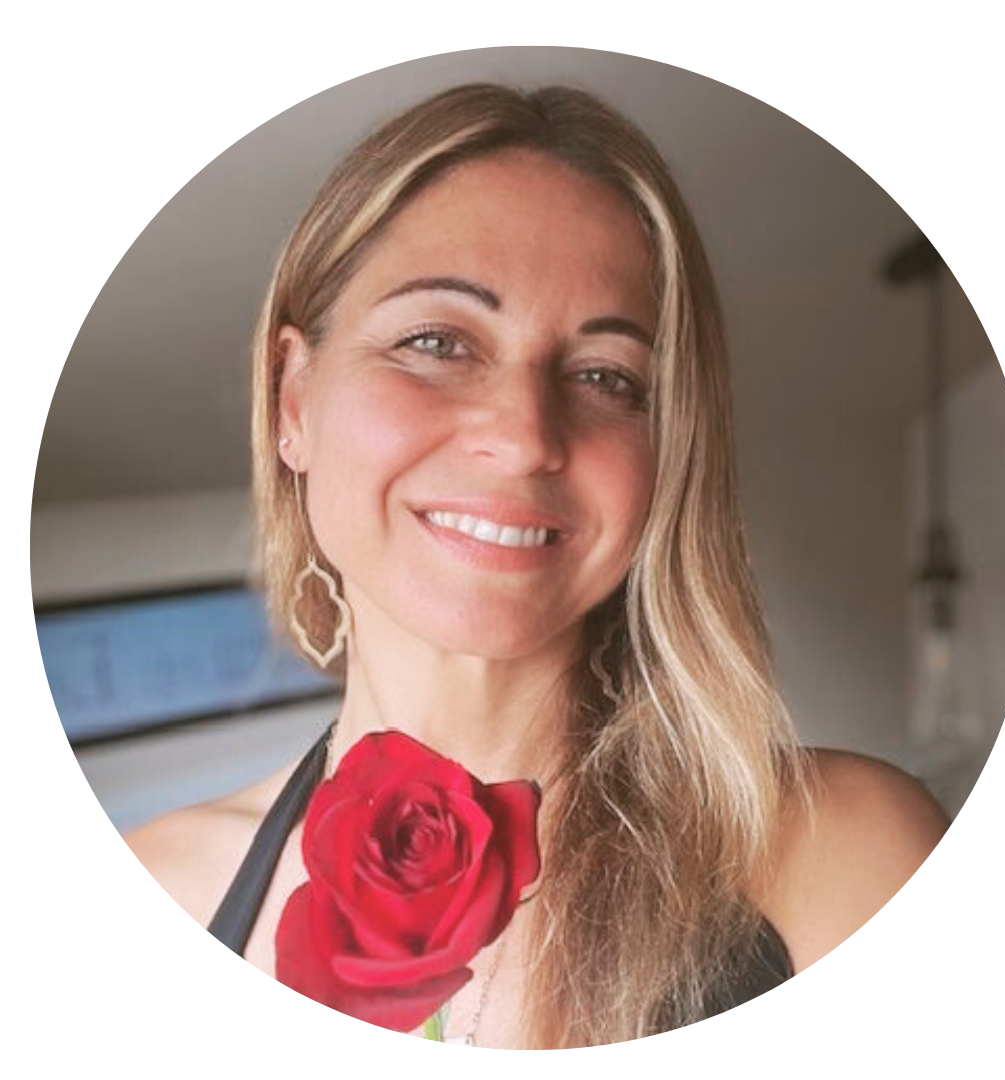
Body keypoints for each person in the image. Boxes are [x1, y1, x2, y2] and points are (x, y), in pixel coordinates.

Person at [124, 82, 950, 1048]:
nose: (524, 438)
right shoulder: (170, 880)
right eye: (437, 342)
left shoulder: (845, 857)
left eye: (606, 377)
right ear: (293, 400)